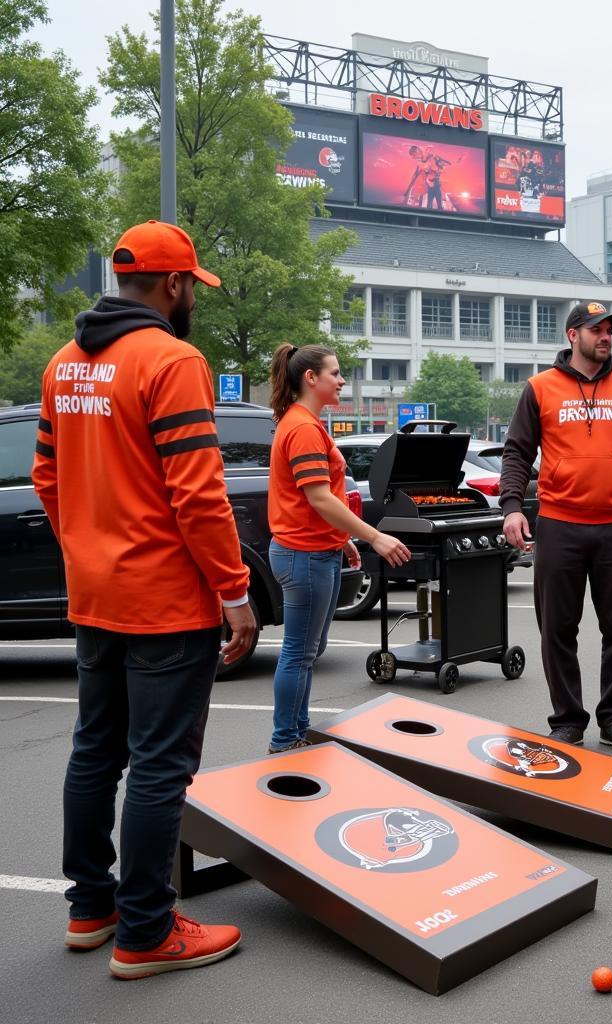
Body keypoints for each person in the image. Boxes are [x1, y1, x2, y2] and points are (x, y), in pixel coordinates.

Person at [32, 220, 257, 978]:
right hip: (166, 601)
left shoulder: (63, 364)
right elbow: (198, 493)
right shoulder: (172, 358)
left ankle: (91, 910)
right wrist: (234, 591)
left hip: (95, 594)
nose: (193, 296)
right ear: (174, 285)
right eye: (192, 284)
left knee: (95, 751)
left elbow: (47, 478)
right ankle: (147, 932)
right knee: (160, 766)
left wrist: (88, 550)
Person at [500, 301, 612, 754]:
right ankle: (568, 721)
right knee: (557, 629)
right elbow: (516, 452)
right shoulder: (539, 388)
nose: (606, 335)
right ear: (573, 335)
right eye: (597, 329)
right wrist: (513, 506)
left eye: (610, 328)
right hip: (559, 524)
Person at [266, 344, 411, 753]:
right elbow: (320, 498)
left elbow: (310, 500)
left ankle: (295, 733)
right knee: (300, 653)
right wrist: (373, 537)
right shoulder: (304, 428)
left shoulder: (302, 423)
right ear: (310, 379)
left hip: (310, 550)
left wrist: (342, 539)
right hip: (303, 555)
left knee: (307, 651)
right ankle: (285, 741)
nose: (342, 380)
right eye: (335, 373)